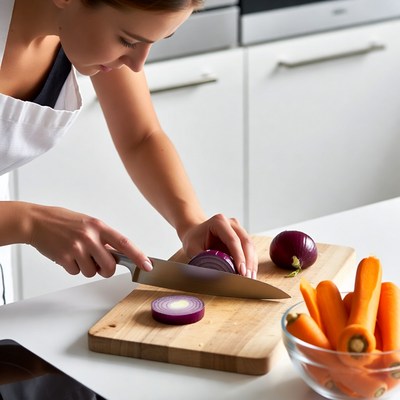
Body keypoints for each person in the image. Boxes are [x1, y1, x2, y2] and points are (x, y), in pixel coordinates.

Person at [0, 0, 258, 289]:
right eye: (127, 40)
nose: (137, 64)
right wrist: (28, 222)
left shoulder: (79, 25)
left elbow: (141, 136)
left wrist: (190, 223)